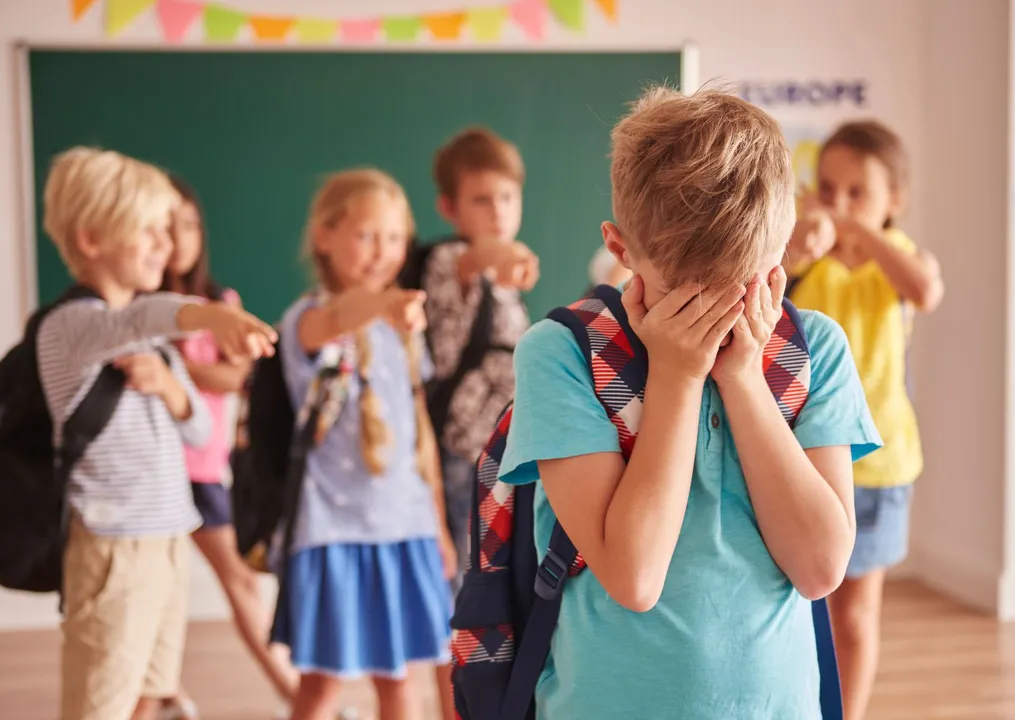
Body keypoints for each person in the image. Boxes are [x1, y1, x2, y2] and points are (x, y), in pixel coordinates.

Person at [497, 87, 883, 719]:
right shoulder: (559, 355)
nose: (721, 314)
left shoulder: (815, 350)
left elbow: (819, 569)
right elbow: (635, 577)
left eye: (744, 284)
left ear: (783, 243)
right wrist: (676, 378)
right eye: (687, 293)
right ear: (621, 250)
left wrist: (744, 380)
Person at [37, 146, 276, 720]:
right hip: (114, 548)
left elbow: (197, 427)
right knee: (101, 700)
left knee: (150, 689)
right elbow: (133, 320)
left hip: (167, 542)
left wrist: (171, 389)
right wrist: (209, 315)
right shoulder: (73, 326)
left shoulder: (150, 343)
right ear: (93, 239)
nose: (166, 246)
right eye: (149, 231)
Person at [271, 168, 457, 720]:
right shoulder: (309, 319)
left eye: (395, 237)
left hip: (405, 528)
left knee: (400, 683)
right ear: (324, 237)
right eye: (366, 235)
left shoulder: (398, 328)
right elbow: (336, 319)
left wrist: (438, 525)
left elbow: (418, 434)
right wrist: (383, 307)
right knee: (322, 686)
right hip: (334, 531)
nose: (383, 251)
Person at [785, 120, 944, 720]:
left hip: (879, 464)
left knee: (854, 613)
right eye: (830, 189)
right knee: (805, 608)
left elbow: (925, 291)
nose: (842, 203)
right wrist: (806, 241)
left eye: (860, 193)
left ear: (895, 201)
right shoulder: (807, 259)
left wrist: (858, 230)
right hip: (802, 462)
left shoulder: (900, 259)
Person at [158, 175, 299, 718]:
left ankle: (290, 692)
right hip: (154, 469)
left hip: (204, 466)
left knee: (238, 579)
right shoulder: (138, 305)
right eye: (167, 225)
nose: (179, 236)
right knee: (166, 584)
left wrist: (168, 364)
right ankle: (168, 693)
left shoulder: (220, 302)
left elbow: (235, 375)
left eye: (190, 223)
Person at [419, 127, 538, 592]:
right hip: (464, 452)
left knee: (497, 584)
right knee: (467, 591)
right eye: (482, 200)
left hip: (504, 451)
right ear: (449, 208)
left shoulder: (502, 280)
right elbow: (475, 257)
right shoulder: (450, 260)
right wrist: (504, 253)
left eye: (508, 197)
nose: (498, 212)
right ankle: (460, 667)